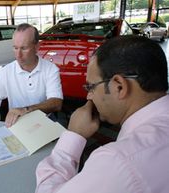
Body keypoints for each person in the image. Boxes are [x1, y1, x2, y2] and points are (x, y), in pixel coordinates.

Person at [35, 35, 169, 193]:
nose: (88, 96)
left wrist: (73, 136)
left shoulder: (117, 160)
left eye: (91, 87)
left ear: (119, 86)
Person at [0, 23, 63, 127]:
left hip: (45, 124)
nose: (18, 55)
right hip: (17, 124)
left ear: (36, 47)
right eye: (15, 48)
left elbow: (56, 103)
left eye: (24, 48)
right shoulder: (5, 72)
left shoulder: (50, 69)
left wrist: (26, 110)